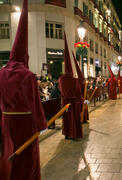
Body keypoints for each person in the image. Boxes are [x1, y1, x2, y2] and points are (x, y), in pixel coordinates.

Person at [0, 0, 47, 179]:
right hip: (25, 126)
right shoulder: (27, 76)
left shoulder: (1, 73)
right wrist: (42, 124)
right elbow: (34, 104)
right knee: (27, 160)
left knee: (8, 156)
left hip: (6, 123)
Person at [58, 33, 83, 140]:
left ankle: (67, 133)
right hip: (73, 103)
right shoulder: (74, 80)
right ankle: (74, 133)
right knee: (73, 118)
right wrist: (80, 99)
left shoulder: (61, 79)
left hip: (64, 102)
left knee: (66, 118)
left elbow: (60, 90)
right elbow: (78, 91)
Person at [72, 52, 89, 123]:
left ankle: (81, 118)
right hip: (83, 99)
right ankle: (83, 118)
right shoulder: (83, 82)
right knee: (84, 107)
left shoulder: (78, 82)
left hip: (80, 99)